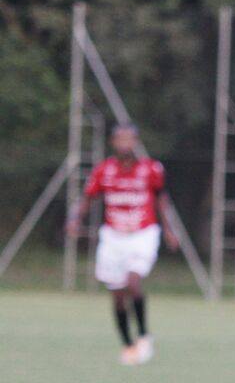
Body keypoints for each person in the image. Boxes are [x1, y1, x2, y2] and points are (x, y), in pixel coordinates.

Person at [66, 123, 179, 365]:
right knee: (117, 295)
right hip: (113, 236)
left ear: (136, 142)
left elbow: (162, 199)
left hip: (143, 233)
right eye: (120, 139)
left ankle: (144, 335)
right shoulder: (103, 170)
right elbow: (87, 198)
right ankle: (128, 344)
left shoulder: (151, 169)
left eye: (130, 139)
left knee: (133, 282)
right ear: (113, 142)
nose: (125, 144)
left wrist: (169, 230)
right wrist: (75, 219)